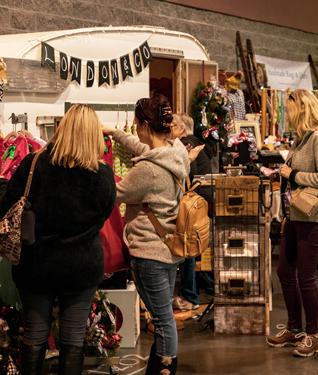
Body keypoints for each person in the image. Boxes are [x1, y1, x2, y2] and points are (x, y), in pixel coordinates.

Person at [0, 104, 116, 374]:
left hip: (36, 265)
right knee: (73, 338)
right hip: (81, 266)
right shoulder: (102, 176)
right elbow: (103, 215)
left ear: (62, 129)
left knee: (35, 334)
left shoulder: (34, 165)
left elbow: (7, 205)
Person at [104, 97, 192, 374]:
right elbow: (146, 149)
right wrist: (116, 134)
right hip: (169, 248)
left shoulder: (146, 171)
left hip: (148, 252)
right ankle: (158, 366)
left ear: (142, 124)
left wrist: (93, 169)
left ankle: (165, 369)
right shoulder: (176, 153)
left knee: (163, 319)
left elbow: (112, 195)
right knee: (163, 312)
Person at [266, 89, 318, 357]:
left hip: (315, 215)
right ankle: (295, 329)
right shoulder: (302, 138)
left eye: (290, 107)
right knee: (285, 271)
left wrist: (293, 172)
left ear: (302, 108)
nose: (286, 112)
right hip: (296, 214)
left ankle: (313, 335)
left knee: (306, 276)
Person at [170, 113, 213, 311]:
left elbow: (189, 172)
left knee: (186, 247)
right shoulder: (196, 143)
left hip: (193, 203)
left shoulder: (186, 144)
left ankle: (190, 296)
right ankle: (192, 293)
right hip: (201, 202)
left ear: (181, 128)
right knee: (189, 247)